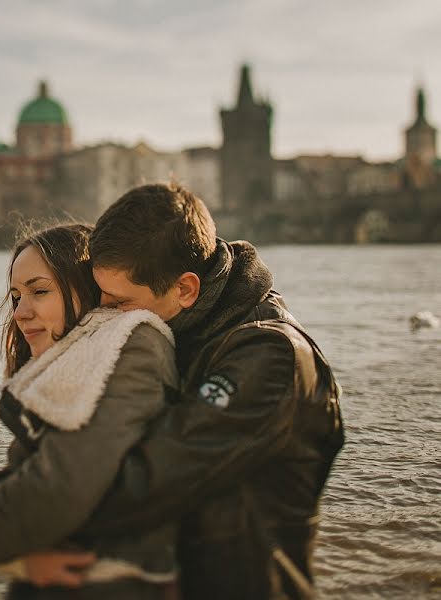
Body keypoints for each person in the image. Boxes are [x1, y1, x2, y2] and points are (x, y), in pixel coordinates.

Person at [23, 183, 345, 599]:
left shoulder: (269, 357)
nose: (102, 314)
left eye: (118, 302)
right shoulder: (175, 328)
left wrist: (14, 519)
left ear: (185, 289)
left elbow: (151, 477)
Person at [0, 224, 182, 599]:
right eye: (16, 296)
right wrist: (18, 561)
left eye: (40, 291)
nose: (19, 312)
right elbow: (29, 486)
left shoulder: (130, 345)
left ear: (86, 288)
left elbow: (58, 490)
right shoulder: (69, 367)